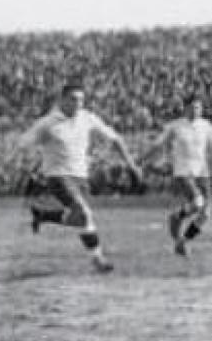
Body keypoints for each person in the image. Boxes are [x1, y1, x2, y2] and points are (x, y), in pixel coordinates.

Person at [17, 84, 141, 273]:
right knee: (85, 213)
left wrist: (132, 165)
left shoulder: (87, 118)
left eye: (81, 99)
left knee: (80, 219)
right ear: (62, 99)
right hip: (57, 176)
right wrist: (35, 147)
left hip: (81, 177)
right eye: (73, 99)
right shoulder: (48, 123)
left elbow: (115, 139)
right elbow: (23, 143)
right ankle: (98, 260)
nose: (78, 104)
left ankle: (43, 215)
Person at [140, 96, 212, 256]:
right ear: (186, 108)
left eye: (199, 108)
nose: (197, 111)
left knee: (206, 212)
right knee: (197, 203)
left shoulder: (206, 126)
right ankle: (176, 219)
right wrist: (142, 159)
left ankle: (183, 241)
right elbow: (158, 144)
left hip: (202, 172)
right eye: (194, 107)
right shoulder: (175, 126)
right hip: (183, 171)